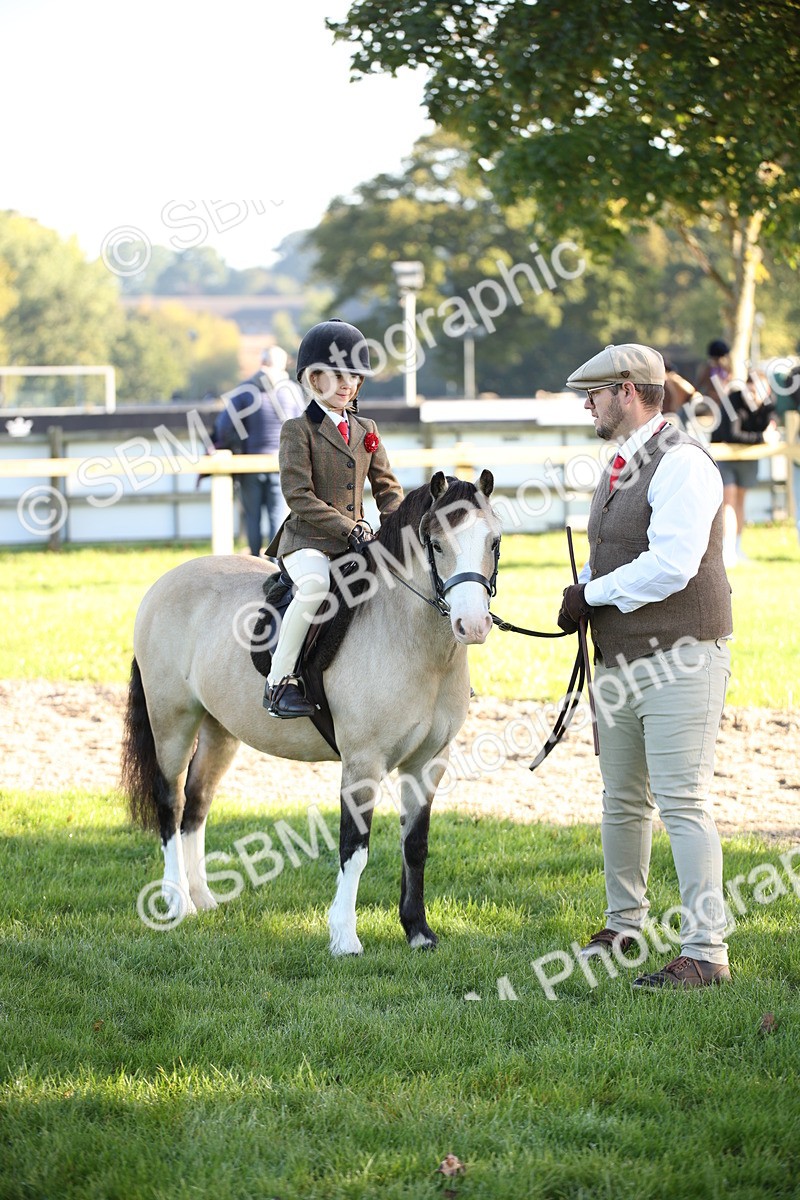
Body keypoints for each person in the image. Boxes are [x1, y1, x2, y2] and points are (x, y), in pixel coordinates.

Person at [557, 343, 733, 989]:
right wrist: (582, 586)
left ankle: (706, 953)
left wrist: (592, 594)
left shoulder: (682, 462)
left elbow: (672, 564)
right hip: (621, 659)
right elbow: (612, 551)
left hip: (682, 658)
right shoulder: (621, 462)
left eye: (595, 394)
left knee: (683, 803)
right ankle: (623, 926)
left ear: (627, 390)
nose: (588, 405)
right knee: (623, 801)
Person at [263, 319, 404, 719]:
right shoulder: (297, 430)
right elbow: (298, 496)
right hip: (307, 542)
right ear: (314, 378)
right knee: (315, 587)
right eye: (338, 376)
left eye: (354, 377)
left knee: (410, 581)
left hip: (355, 542)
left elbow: (387, 489)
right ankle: (279, 682)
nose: (348, 385)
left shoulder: (367, 429)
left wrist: (400, 525)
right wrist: (350, 527)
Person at [213, 347, 304, 557]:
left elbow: (224, 426)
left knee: (252, 517)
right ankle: (274, 564)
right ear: (283, 365)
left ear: (262, 362)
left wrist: (233, 446)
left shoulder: (245, 390)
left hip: (249, 465)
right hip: (281, 464)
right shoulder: (292, 391)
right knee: (278, 517)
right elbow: (303, 426)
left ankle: (254, 561)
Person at [710, 376, 776, 569]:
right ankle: (727, 550)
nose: (752, 395)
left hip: (748, 457)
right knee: (728, 500)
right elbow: (732, 434)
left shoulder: (768, 405)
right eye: (750, 390)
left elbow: (772, 422)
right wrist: (762, 437)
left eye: (757, 391)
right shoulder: (733, 400)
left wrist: (770, 429)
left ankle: (737, 548)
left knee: (740, 500)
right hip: (725, 455)